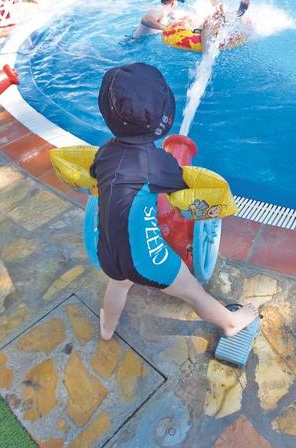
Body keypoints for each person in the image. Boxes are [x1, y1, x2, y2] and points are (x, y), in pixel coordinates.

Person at [91, 62, 259, 341]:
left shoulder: (105, 152)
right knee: (193, 292)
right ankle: (230, 323)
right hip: (148, 260)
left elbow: (99, 176)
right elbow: (182, 189)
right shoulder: (156, 163)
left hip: (107, 251)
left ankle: (107, 329)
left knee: (118, 285)